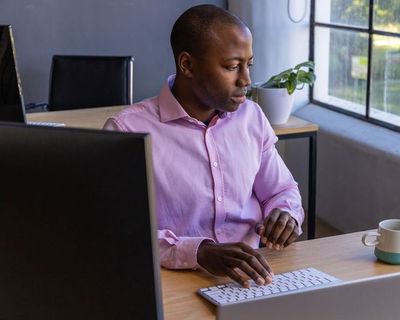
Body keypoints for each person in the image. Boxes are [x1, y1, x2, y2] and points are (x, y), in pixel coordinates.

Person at [103, 4, 304, 287]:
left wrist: (286, 213)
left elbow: (281, 190)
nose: (246, 80)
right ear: (187, 65)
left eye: (249, 65)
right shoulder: (128, 131)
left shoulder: (252, 117)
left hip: (256, 278)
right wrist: (199, 252)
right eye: (232, 67)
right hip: (171, 282)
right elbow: (119, 230)